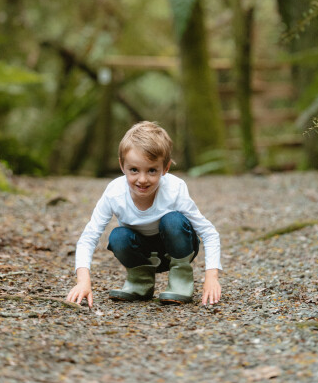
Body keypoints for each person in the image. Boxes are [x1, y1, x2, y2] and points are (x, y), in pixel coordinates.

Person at [66, 121, 222, 308]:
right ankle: (140, 281)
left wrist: (211, 277)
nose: (142, 179)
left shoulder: (174, 190)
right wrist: (83, 281)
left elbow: (209, 233)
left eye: (152, 171)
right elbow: (89, 236)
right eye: (134, 170)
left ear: (165, 168)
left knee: (172, 220)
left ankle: (180, 280)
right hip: (143, 253)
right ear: (122, 165)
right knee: (118, 236)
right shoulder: (114, 193)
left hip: (177, 249)